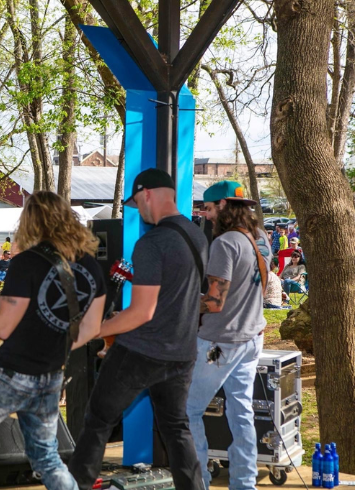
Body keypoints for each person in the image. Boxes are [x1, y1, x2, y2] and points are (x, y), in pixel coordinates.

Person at [0, 190, 106, 490]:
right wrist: (54, 348)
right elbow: (92, 329)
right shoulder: (90, 266)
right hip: (51, 376)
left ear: (30, 222)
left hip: (11, 374)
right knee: (47, 458)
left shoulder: (27, 262)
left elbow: (2, 325)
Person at [68, 169, 206, 490]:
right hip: (182, 353)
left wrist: (98, 329)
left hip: (142, 352)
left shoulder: (151, 243)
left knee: (98, 421)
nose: (138, 210)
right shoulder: (196, 235)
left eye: (136, 202)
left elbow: (142, 311)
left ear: (147, 194)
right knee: (176, 428)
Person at [185, 181, 271, 490]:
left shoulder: (224, 244)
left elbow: (215, 303)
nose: (206, 216)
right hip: (251, 339)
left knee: (187, 411)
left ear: (223, 206)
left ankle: (199, 482)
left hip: (219, 344)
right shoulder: (261, 239)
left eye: (208, 209)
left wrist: (181, 303)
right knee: (241, 413)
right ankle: (244, 484)